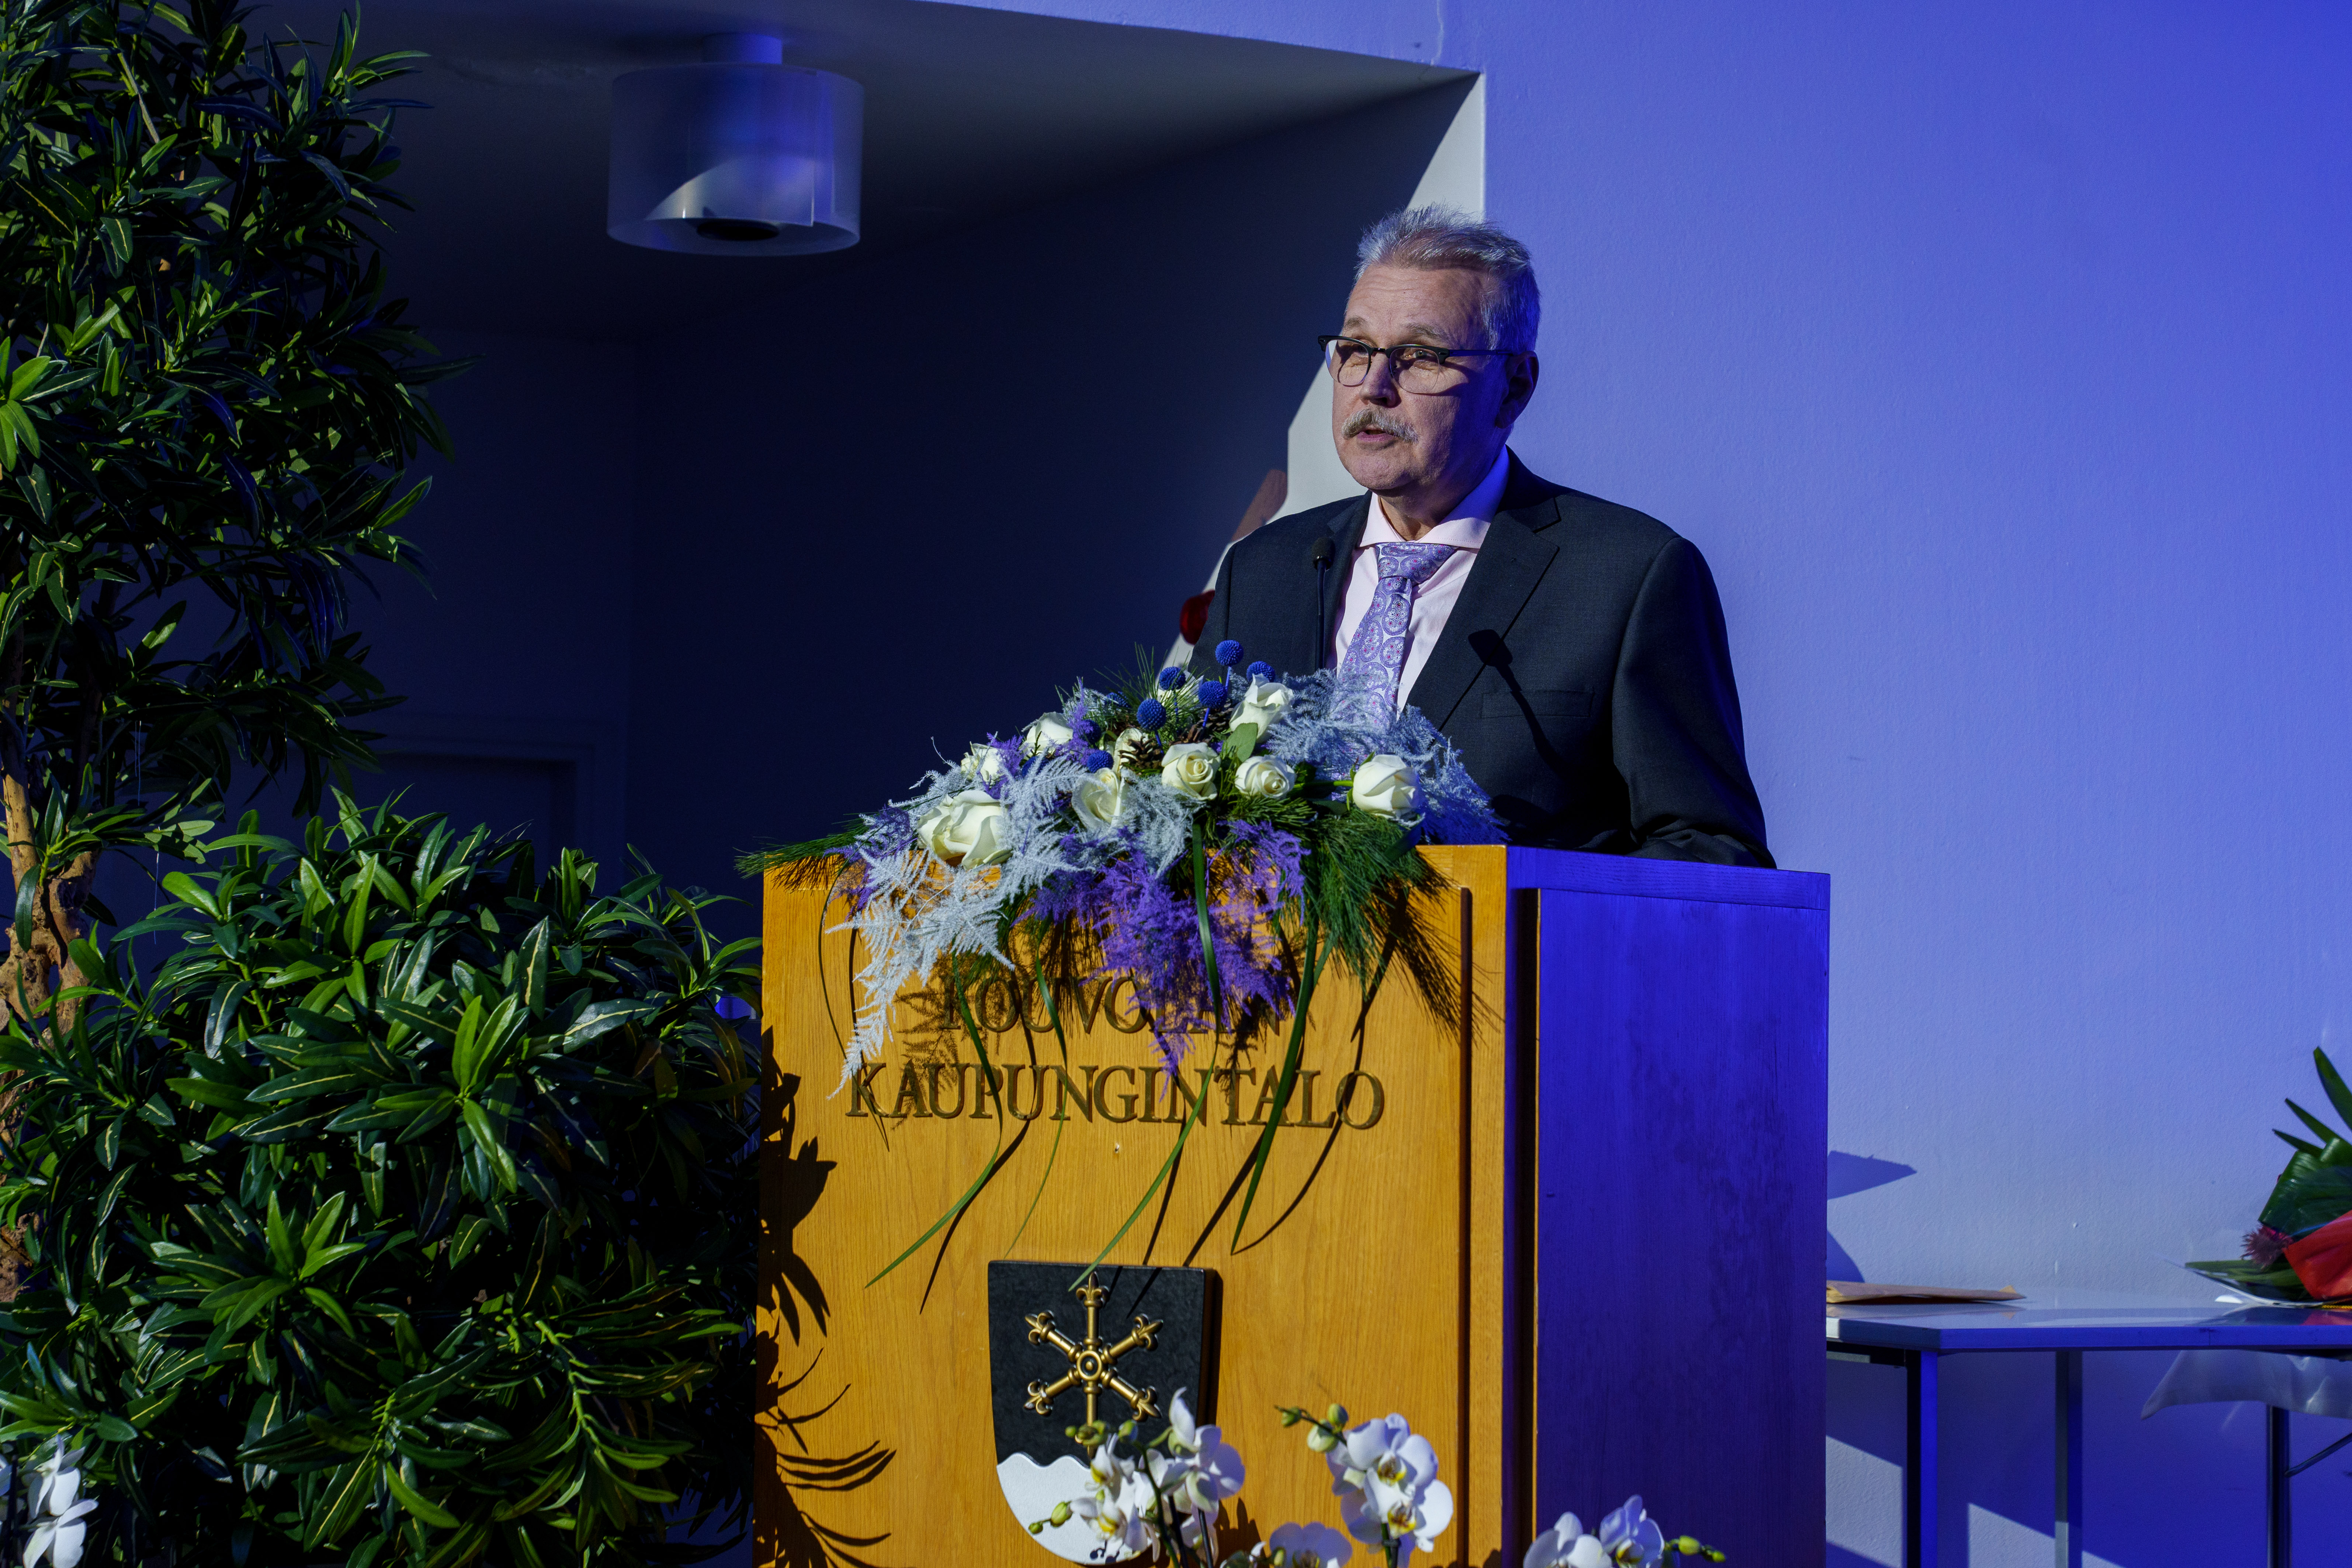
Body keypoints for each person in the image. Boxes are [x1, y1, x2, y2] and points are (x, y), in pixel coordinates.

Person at [1190, 207, 1770, 865]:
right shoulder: (1262, 570)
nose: (1373, 388)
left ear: (1513, 388)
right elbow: (1181, 814)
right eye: (1355, 351)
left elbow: (1710, 849)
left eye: (1420, 357)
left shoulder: (1627, 575)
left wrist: (1527, 910)